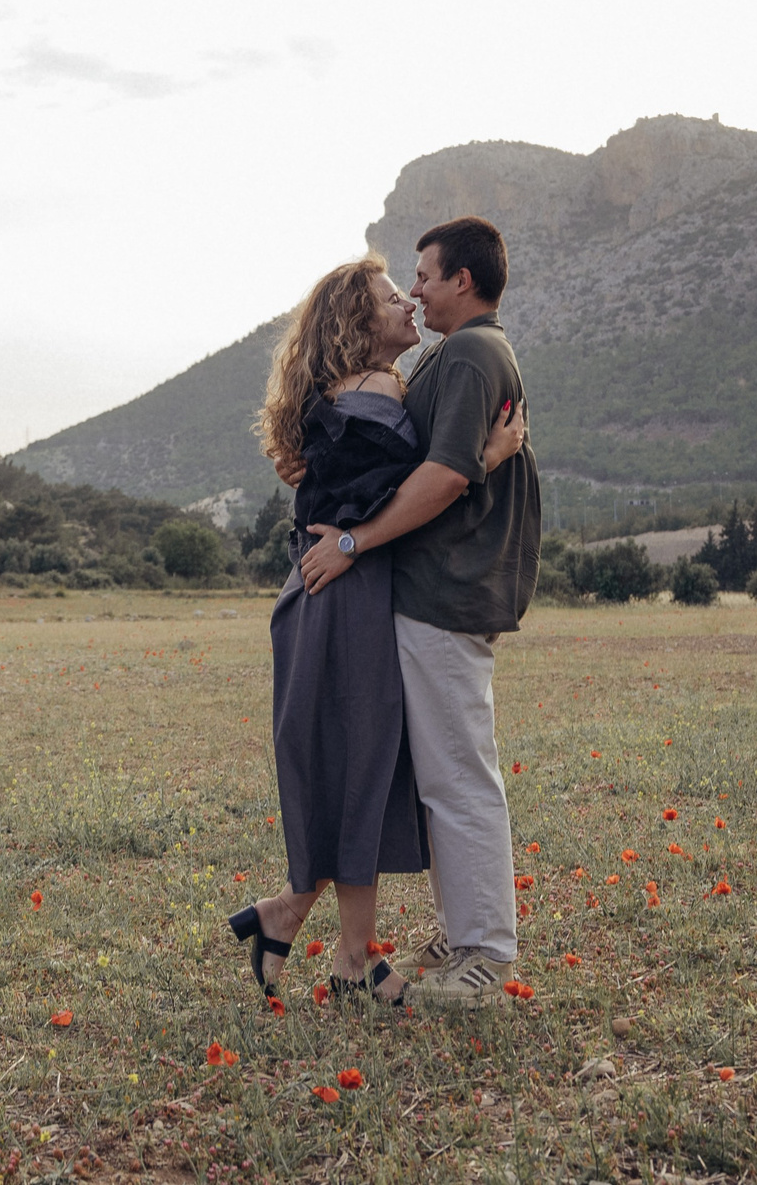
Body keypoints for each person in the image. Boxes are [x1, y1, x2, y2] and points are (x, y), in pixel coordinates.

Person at [228, 256, 526, 1008]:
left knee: (359, 764)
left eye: (413, 286)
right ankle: (338, 943)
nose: (409, 302)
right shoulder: (377, 391)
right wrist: (486, 457)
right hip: (345, 591)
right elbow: (419, 483)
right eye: (394, 296)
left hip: (336, 590)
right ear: (359, 321)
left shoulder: (357, 390)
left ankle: (314, 928)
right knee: (358, 765)